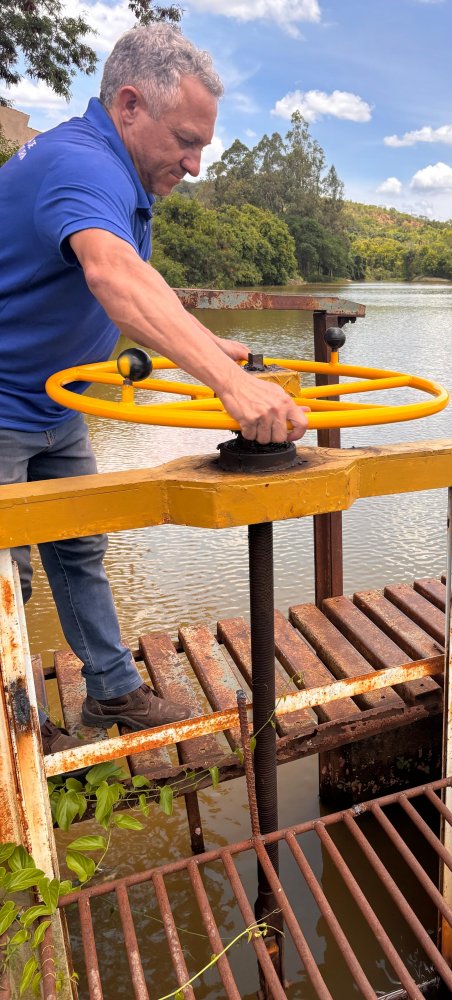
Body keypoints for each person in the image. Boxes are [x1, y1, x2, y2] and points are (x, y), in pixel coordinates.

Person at [0, 24, 309, 754]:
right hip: (2, 406)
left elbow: (118, 287)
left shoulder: (114, 173)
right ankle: (14, 739)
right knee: (4, 579)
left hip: (56, 404)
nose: (196, 164)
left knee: (80, 548)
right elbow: (112, 278)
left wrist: (203, 347)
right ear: (130, 105)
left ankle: (111, 697)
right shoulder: (84, 167)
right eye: (186, 140)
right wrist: (232, 384)